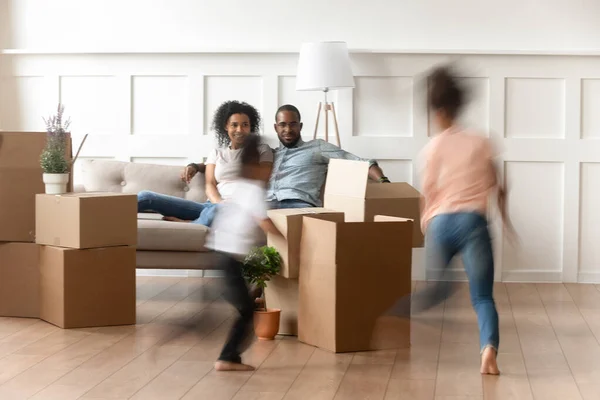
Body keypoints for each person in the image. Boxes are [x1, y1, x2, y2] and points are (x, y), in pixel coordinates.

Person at [414, 65, 515, 375]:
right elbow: (499, 185)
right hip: (474, 223)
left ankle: (390, 314)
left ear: (439, 111)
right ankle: (488, 351)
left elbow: (427, 193)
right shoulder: (482, 141)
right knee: (483, 296)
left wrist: (424, 223)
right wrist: (505, 217)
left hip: (442, 224)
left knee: (436, 291)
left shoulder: (433, 147)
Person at [205, 133, 283, 371]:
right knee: (247, 310)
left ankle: (228, 357)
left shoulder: (240, 187)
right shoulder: (254, 191)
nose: (268, 172)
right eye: (265, 167)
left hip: (224, 254)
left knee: (246, 308)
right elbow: (265, 223)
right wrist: (291, 238)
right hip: (228, 258)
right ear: (255, 167)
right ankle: (227, 358)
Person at [137, 101, 273, 226]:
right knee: (146, 196)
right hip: (211, 207)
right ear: (226, 126)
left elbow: (261, 181)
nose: (239, 130)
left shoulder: (262, 150)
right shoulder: (216, 153)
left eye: (245, 125)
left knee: (219, 212)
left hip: (237, 209)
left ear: (251, 127)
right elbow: (210, 184)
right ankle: (115, 214)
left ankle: (191, 224)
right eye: (234, 125)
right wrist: (220, 204)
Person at [266, 104, 390, 209]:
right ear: (276, 128)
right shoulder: (270, 154)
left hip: (298, 205)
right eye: (282, 124)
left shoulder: (317, 147)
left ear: (300, 126)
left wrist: (383, 181)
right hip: (266, 205)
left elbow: (360, 163)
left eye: (293, 124)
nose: (288, 129)